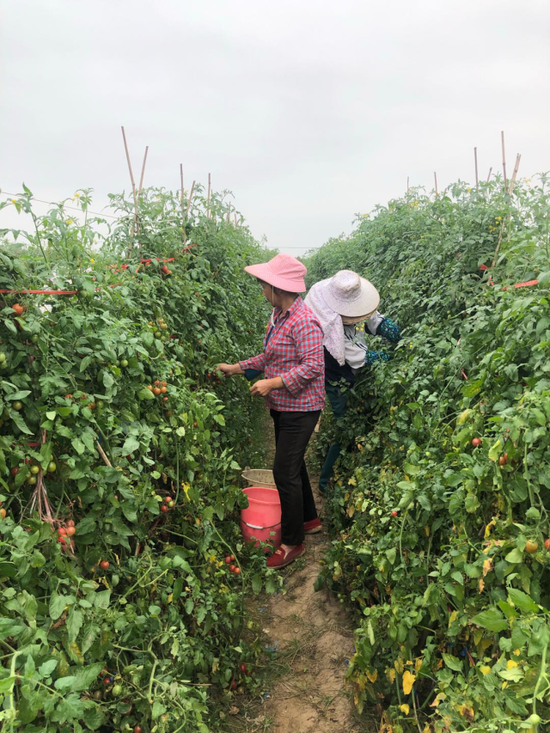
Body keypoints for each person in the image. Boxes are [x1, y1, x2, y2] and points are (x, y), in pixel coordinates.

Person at [218, 253, 325, 569]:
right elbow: (269, 356)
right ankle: (309, 520)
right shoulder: (279, 316)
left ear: (277, 288)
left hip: (302, 409)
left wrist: (273, 384)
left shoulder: (304, 321)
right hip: (284, 407)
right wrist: (237, 368)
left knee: (283, 472)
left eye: (263, 284)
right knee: (293, 466)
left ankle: (293, 543)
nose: (261, 289)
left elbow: (313, 366)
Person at [305, 270, 400, 493]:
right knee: (345, 426)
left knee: (356, 422)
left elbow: (371, 320)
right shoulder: (329, 326)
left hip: (353, 374)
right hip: (335, 379)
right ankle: (325, 483)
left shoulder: (353, 306)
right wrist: (391, 356)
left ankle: (345, 470)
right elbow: (362, 359)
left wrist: (396, 333)